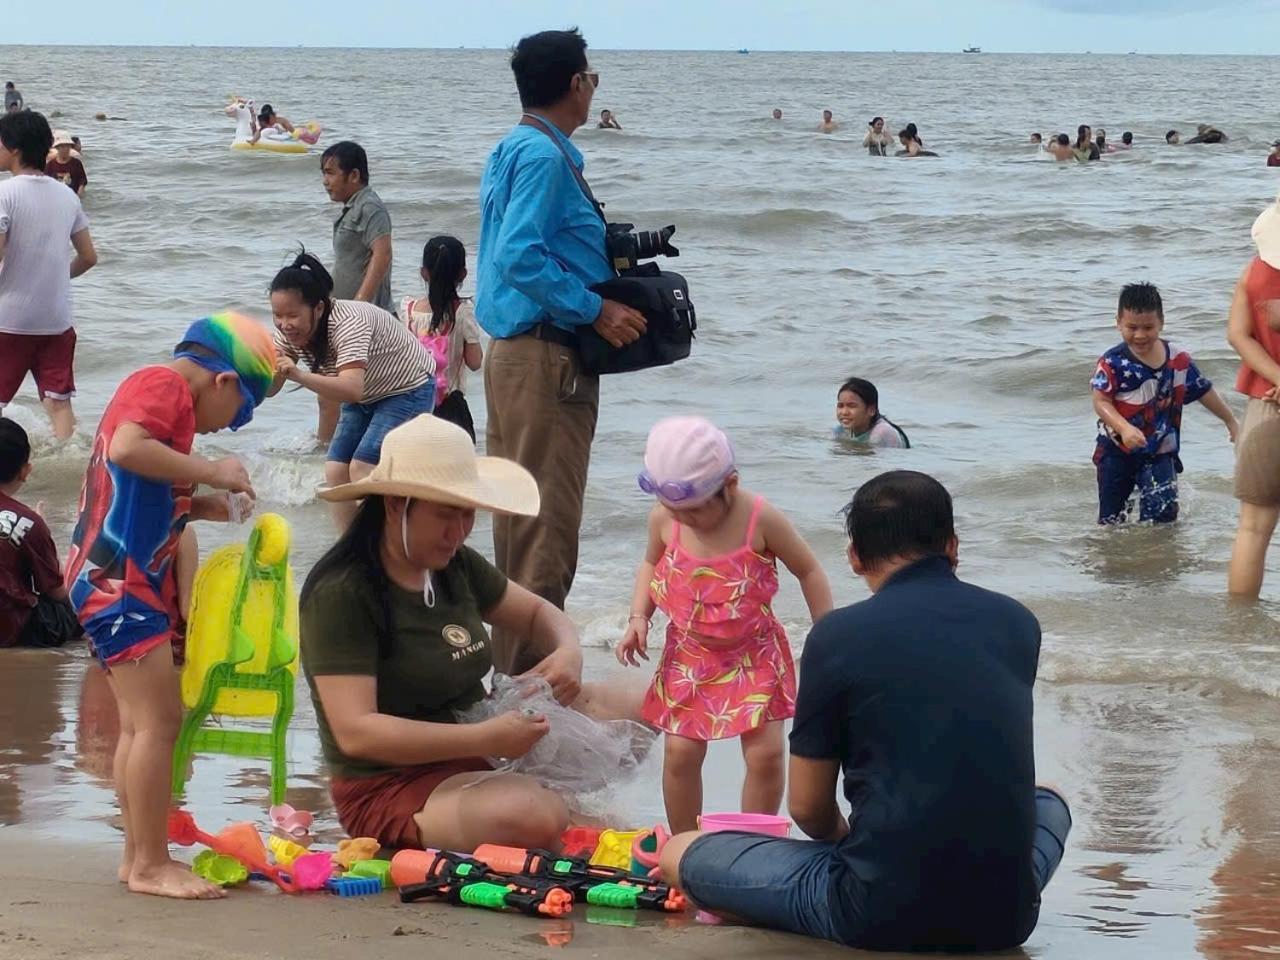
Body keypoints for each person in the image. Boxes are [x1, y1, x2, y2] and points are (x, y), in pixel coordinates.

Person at [659, 470, 1072, 951]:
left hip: (874, 912)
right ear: (953, 546)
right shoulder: (1019, 623)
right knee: (1049, 799)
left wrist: (846, 839)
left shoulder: (838, 636)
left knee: (678, 851)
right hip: (1006, 916)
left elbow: (809, 810)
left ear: (855, 558)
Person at [300, 413, 590, 852]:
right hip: (389, 784)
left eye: (468, 515)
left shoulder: (455, 563)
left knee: (634, 702)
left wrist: (569, 650)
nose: (458, 533)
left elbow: (535, 614)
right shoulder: (342, 592)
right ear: (397, 503)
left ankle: (541, 801)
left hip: (478, 745)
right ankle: (544, 805)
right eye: (444, 516)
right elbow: (357, 733)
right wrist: (487, 738)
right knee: (534, 814)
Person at [65, 314, 274, 899]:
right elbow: (130, 449)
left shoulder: (166, 410)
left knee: (141, 725)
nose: (226, 430)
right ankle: (153, 863)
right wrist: (213, 469)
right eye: (240, 414)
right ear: (223, 382)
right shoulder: (163, 385)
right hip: (121, 582)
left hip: (112, 577)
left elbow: (142, 490)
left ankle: (137, 859)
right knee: (159, 725)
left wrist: (207, 503)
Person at [476, 28, 647, 675]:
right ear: (577, 85)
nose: (593, 87)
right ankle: (528, 701)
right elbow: (520, 255)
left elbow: (508, 250)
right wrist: (595, 307)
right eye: (592, 78)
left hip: (517, 355)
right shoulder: (546, 158)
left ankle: (511, 684)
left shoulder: (514, 147)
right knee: (545, 533)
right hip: (547, 358)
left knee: (518, 527)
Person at [616, 416, 832, 834]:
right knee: (679, 753)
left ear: (729, 484)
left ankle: (751, 842)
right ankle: (685, 846)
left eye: (693, 510)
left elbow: (809, 570)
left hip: (755, 654)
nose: (684, 520)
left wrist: (827, 632)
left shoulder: (761, 519)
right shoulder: (665, 517)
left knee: (765, 756)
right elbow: (650, 563)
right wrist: (639, 617)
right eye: (675, 510)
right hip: (689, 657)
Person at [267, 252, 435, 530]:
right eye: (277, 315)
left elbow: (351, 389)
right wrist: (249, 378)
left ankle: (388, 547)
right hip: (368, 392)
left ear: (318, 308)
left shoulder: (348, 323)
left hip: (408, 387)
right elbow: (271, 389)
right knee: (334, 471)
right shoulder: (288, 333)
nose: (284, 324)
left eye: (292, 315)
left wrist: (297, 373)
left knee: (362, 468)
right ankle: (349, 553)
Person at [1091, 282, 1238, 525]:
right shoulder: (1113, 362)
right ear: (1118, 323)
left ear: (1161, 322)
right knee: (1112, 521)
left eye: (1148, 327)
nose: (1140, 335)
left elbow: (1204, 390)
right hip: (1116, 452)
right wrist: (1125, 428)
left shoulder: (1177, 358)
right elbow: (1101, 401)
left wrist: (1231, 421)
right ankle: (1116, 561)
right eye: (1131, 327)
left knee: (1164, 518)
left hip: (1161, 451)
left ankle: (1159, 559)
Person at [0, 109, 98, 441]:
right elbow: (88, 257)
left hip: (10, 320)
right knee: (58, 403)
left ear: (13, 149)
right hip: (57, 319)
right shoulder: (67, 197)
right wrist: (55, 277)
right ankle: (70, 466)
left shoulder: (4, 194)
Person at [320, 140, 393, 444]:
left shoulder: (369, 206)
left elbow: (382, 253)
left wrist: (362, 300)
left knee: (342, 392)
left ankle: (329, 451)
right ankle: (325, 449)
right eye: (323, 174)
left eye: (330, 173)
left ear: (354, 175)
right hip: (344, 315)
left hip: (363, 318)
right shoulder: (352, 208)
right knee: (330, 391)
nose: (326, 181)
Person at [1226, 194, 1280, 597]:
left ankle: (1239, 636)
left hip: (1266, 406)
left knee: (1253, 528)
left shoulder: (1254, 273)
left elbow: (1238, 335)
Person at [0, 419, 81, 648]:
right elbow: (56, 593)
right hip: (11, 629)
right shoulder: (28, 522)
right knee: (70, 604)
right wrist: (41, 531)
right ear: (25, 470)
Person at [401, 235, 483, 442]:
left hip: (413, 405)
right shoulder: (462, 313)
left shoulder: (408, 310)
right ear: (463, 274)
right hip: (450, 406)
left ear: (423, 273)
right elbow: (475, 362)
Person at [833, 377, 910, 447]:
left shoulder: (882, 432)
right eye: (840, 406)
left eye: (852, 406)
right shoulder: (840, 431)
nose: (844, 412)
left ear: (871, 410)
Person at [44, 129, 87, 197]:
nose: (66, 149)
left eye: (68, 146)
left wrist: (79, 193)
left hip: (73, 197)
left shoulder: (76, 163)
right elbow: (45, 183)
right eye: (62, 146)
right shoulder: (50, 165)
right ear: (57, 147)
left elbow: (83, 181)